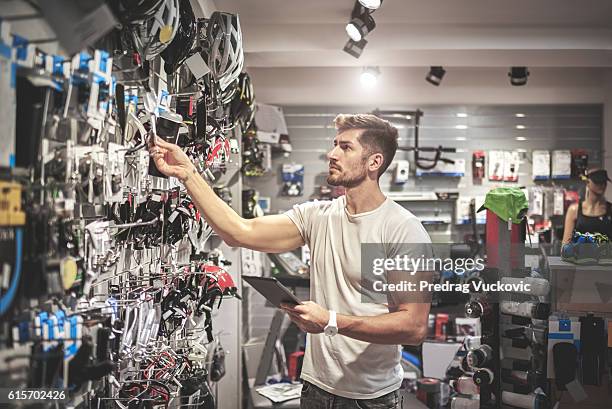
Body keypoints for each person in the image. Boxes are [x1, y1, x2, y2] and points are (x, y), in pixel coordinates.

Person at [150, 114, 432, 408]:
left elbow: (413, 326)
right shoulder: (318, 216)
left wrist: (331, 321)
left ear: (374, 162)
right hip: (315, 389)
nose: (332, 154)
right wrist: (188, 174)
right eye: (334, 145)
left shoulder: (401, 228)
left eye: (346, 148)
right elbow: (239, 231)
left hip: (371, 398)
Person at [562, 168, 612, 243]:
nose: (602, 185)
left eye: (604, 182)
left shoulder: (610, 209)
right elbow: (566, 244)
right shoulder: (574, 210)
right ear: (587, 182)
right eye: (597, 182)